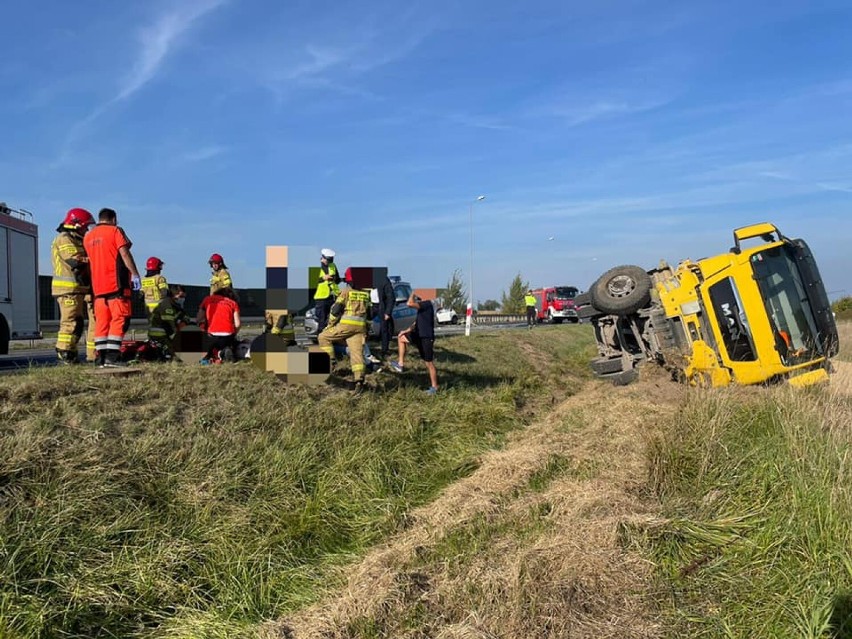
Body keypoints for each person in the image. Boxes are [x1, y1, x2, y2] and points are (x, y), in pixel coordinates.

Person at [83, 208, 141, 367]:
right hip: (116, 286)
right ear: (114, 219)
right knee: (120, 320)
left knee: (102, 323)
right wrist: (135, 273)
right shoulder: (115, 231)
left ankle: (100, 358)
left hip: (97, 290)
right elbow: (125, 253)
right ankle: (112, 358)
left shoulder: (88, 236)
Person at [50, 207, 96, 364]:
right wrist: (97, 259)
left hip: (78, 288)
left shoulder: (77, 239)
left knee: (78, 323)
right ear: (76, 225)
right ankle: (65, 352)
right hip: (68, 289)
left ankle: (72, 353)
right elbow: (74, 260)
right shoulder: (64, 238)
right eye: (85, 226)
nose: (87, 230)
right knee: (70, 322)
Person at [317, 267, 370, 394]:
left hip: (346, 325)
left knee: (323, 337)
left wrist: (330, 325)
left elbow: (335, 310)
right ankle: (359, 381)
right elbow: (371, 313)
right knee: (357, 354)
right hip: (360, 327)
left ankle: (331, 362)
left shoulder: (346, 292)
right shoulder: (366, 294)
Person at [390, 293, 438, 395]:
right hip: (418, 335)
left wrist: (412, 293)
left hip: (426, 337)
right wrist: (406, 330)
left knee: (428, 363)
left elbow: (409, 304)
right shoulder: (422, 306)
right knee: (401, 337)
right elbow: (416, 323)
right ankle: (400, 364)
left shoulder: (427, 303)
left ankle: (435, 387)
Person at [197, 286, 241, 363]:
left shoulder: (207, 299)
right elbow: (238, 324)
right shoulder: (232, 303)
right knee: (225, 343)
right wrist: (233, 334)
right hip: (227, 335)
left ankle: (215, 353)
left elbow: (199, 319)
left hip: (211, 334)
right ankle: (224, 351)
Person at [148, 285, 190, 358]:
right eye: (181, 296)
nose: (183, 299)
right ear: (174, 294)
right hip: (160, 335)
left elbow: (185, 317)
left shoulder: (176, 305)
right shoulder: (167, 305)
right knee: (175, 356)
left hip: (167, 333)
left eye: (184, 297)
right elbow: (171, 324)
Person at [313, 248, 340, 334]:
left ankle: (331, 338)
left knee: (333, 319)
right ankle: (322, 339)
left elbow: (338, 279)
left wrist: (334, 278)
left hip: (333, 296)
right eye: (328, 260)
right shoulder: (315, 266)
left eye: (331, 260)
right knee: (322, 320)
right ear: (323, 258)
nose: (329, 262)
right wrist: (322, 278)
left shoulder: (333, 265)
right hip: (321, 297)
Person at [378, 275, 396, 359]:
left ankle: (384, 350)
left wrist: (388, 312)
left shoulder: (383, 280)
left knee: (384, 330)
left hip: (382, 308)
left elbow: (391, 297)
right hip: (370, 307)